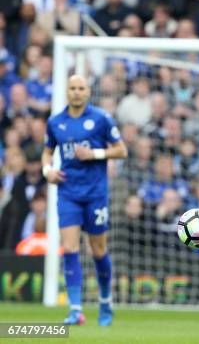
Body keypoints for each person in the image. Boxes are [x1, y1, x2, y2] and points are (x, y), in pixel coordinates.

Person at [42, 75, 128, 326]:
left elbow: (121, 150)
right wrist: (48, 172)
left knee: (98, 250)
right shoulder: (56, 122)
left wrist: (94, 153)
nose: (77, 92)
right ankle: (75, 310)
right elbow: (47, 152)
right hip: (67, 193)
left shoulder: (101, 119)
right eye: (72, 88)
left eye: (81, 88)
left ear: (88, 91)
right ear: (67, 91)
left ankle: (105, 302)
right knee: (69, 248)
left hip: (95, 194)